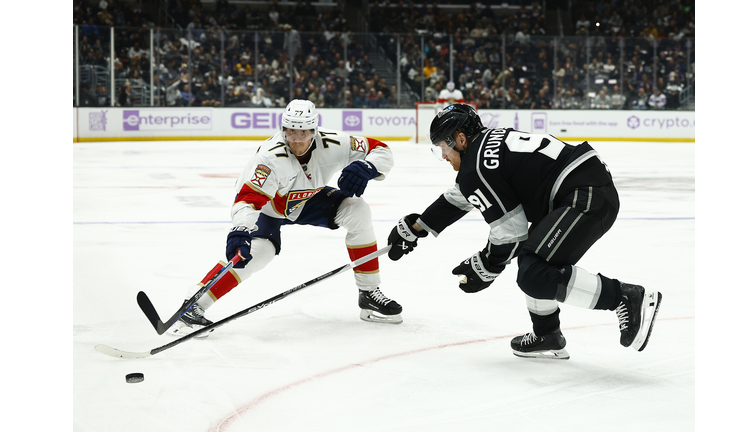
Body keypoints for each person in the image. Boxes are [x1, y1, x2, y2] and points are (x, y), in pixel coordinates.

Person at [386, 104, 661, 360]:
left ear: (459, 139)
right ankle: (547, 333)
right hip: (586, 186)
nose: (444, 156)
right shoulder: (487, 146)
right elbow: (460, 197)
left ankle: (624, 296)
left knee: (533, 270)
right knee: (534, 258)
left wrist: (486, 265)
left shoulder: (475, 168)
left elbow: (510, 232)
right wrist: (416, 228)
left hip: (584, 193)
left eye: (443, 147)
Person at [171, 99, 403, 336]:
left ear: (314, 131)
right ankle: (194, 304)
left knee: (358, 211)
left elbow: (380, 148)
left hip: (306, 200)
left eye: (303, 132)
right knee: (258, 252)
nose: (297, 139)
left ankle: (368, 292)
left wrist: (368, 167)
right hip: (269, 207)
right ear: (283, 130)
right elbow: (249, 199)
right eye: (291, 131)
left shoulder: (334, 143)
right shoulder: (269, 158)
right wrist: (240, 229)